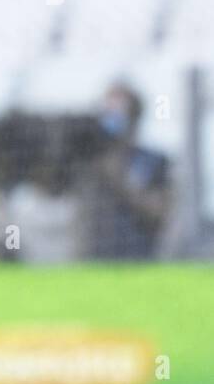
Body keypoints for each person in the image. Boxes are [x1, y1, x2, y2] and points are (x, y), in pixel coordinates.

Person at [73, 83, 173, 258]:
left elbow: (160, 213)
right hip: (91, 260)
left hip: (137, 259)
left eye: (118, 114)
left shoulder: (155, 161)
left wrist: (122, 180)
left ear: (135, 117)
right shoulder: (87, 162)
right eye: (106, 113)